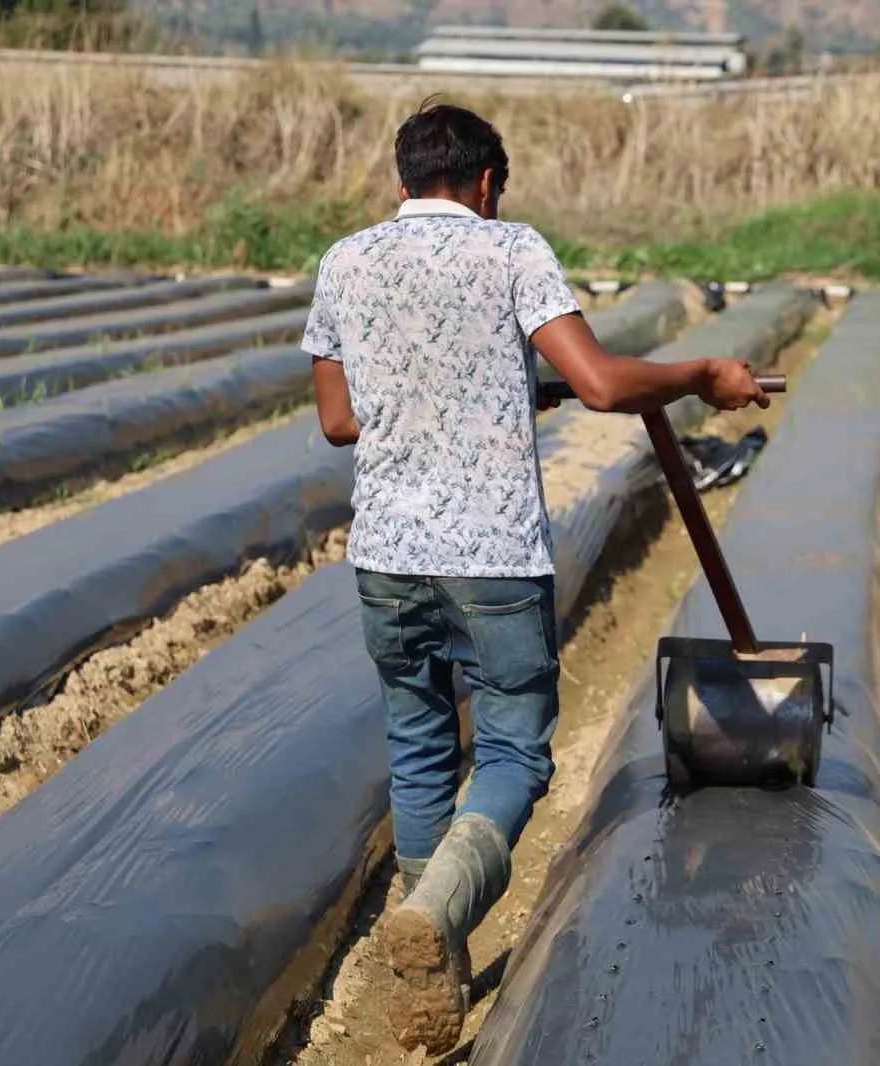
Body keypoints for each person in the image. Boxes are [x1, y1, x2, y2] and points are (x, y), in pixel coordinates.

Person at [302, 99, 768, 1054]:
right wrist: (700, 374)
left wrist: (480, 388)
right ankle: (438, 917)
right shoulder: (510, 249)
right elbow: (600, 384)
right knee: (513, 753)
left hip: (387, 556)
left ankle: (434, 958)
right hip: (491, 555)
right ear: (485, 185)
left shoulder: (346, 260)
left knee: (421, 741)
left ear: (401, 183)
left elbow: (341, 422)